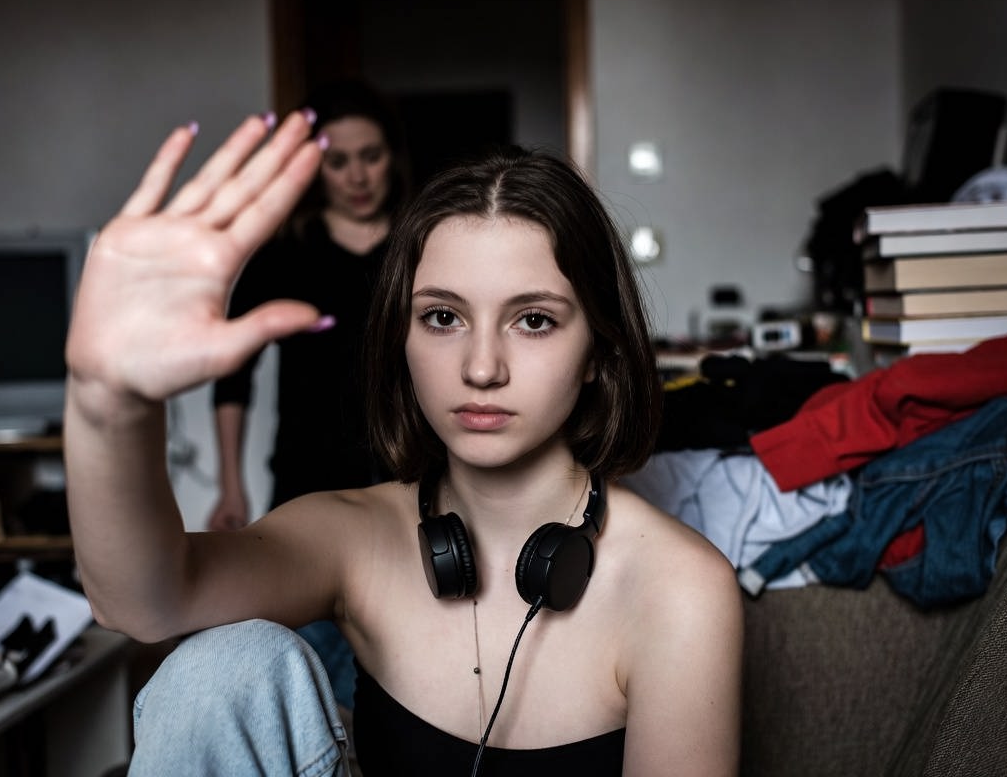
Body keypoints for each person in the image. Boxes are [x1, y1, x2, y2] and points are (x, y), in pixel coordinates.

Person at [64, 111, 743, 775]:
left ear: (598, 350)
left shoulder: (678, 589)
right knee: (219, 669)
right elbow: (143, 601)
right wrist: (107, 402)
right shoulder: (356, 538)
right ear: (403, 337)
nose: (482, 368)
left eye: (534, 320)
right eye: (443, 317)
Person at [206, 77, 408, 533]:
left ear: (392, 158)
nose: (357, 178)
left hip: (411, 480)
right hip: (305, 479)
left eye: (371, 156)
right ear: (314, 167)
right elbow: (232, 376)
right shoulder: (282, 256)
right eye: (337, 162)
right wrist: (231, 486)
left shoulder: (422, 247)